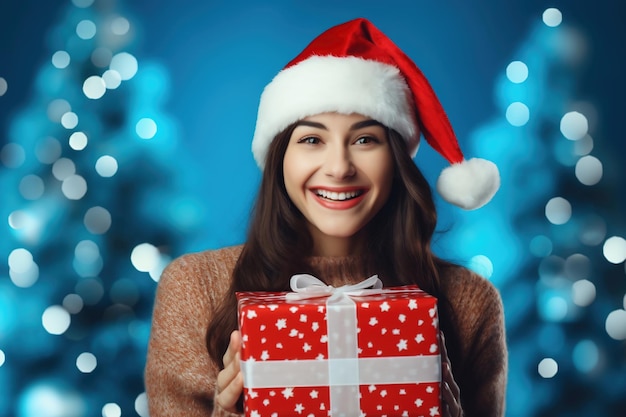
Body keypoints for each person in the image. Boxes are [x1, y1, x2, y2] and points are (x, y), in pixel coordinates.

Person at [144, 17, 507, 417]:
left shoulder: (468, 302)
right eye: (312, 139)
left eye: (365, 139)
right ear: (280, 157)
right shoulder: (196, 291)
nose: (339, 167)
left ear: (397, 159)